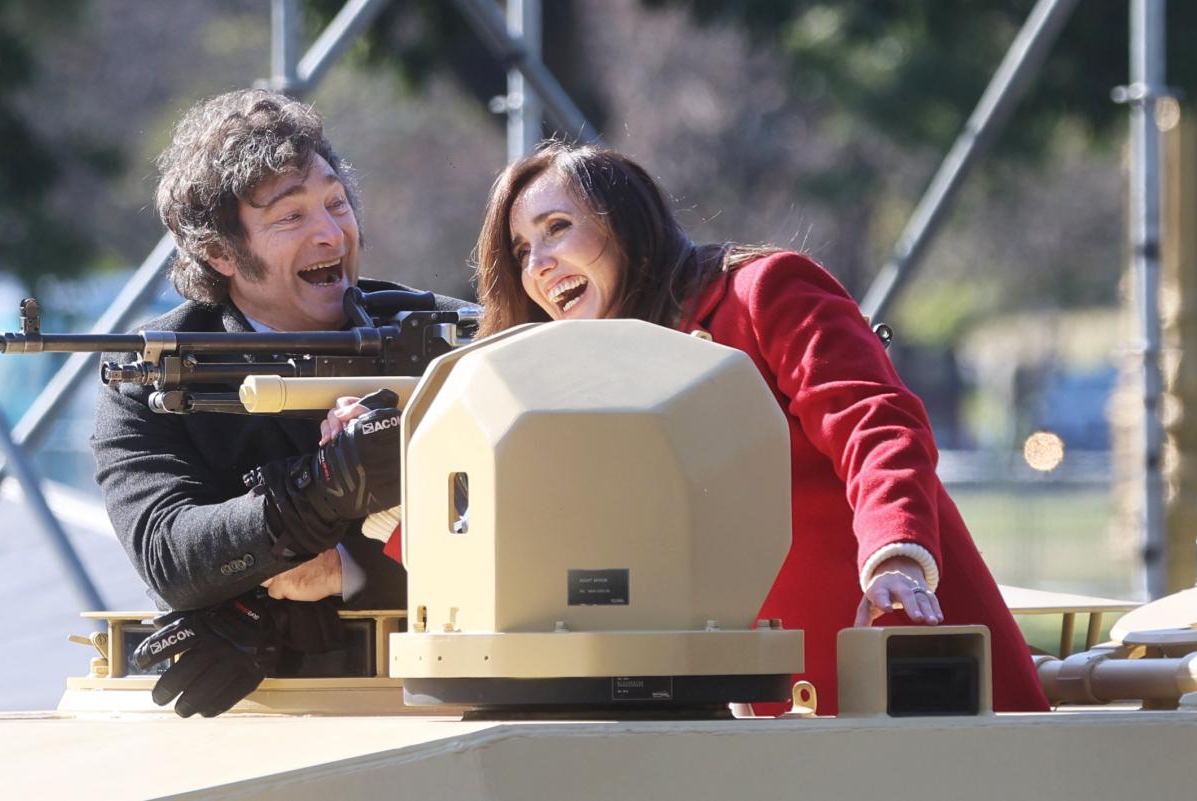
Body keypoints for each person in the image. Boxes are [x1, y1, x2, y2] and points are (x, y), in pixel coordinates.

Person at [471, 142, 1048, 715]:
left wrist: (895, 553)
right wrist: (390, 504)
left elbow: (873, 422)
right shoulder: (583, 389)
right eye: (521, 251)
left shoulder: (763, 291)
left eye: (557, 227)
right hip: (767, 704)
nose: (538, 264)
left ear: (625, 223)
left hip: (899, 654)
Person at [91, 89, 466, 717]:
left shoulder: (450, 342)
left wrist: (345, 572)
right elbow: (170, 555)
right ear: (219, 253)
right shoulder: (152, 375)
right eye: (290, 217)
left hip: (444, 703)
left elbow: (537, 535)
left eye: (336, 203)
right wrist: (323, 488)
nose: (330, 234)